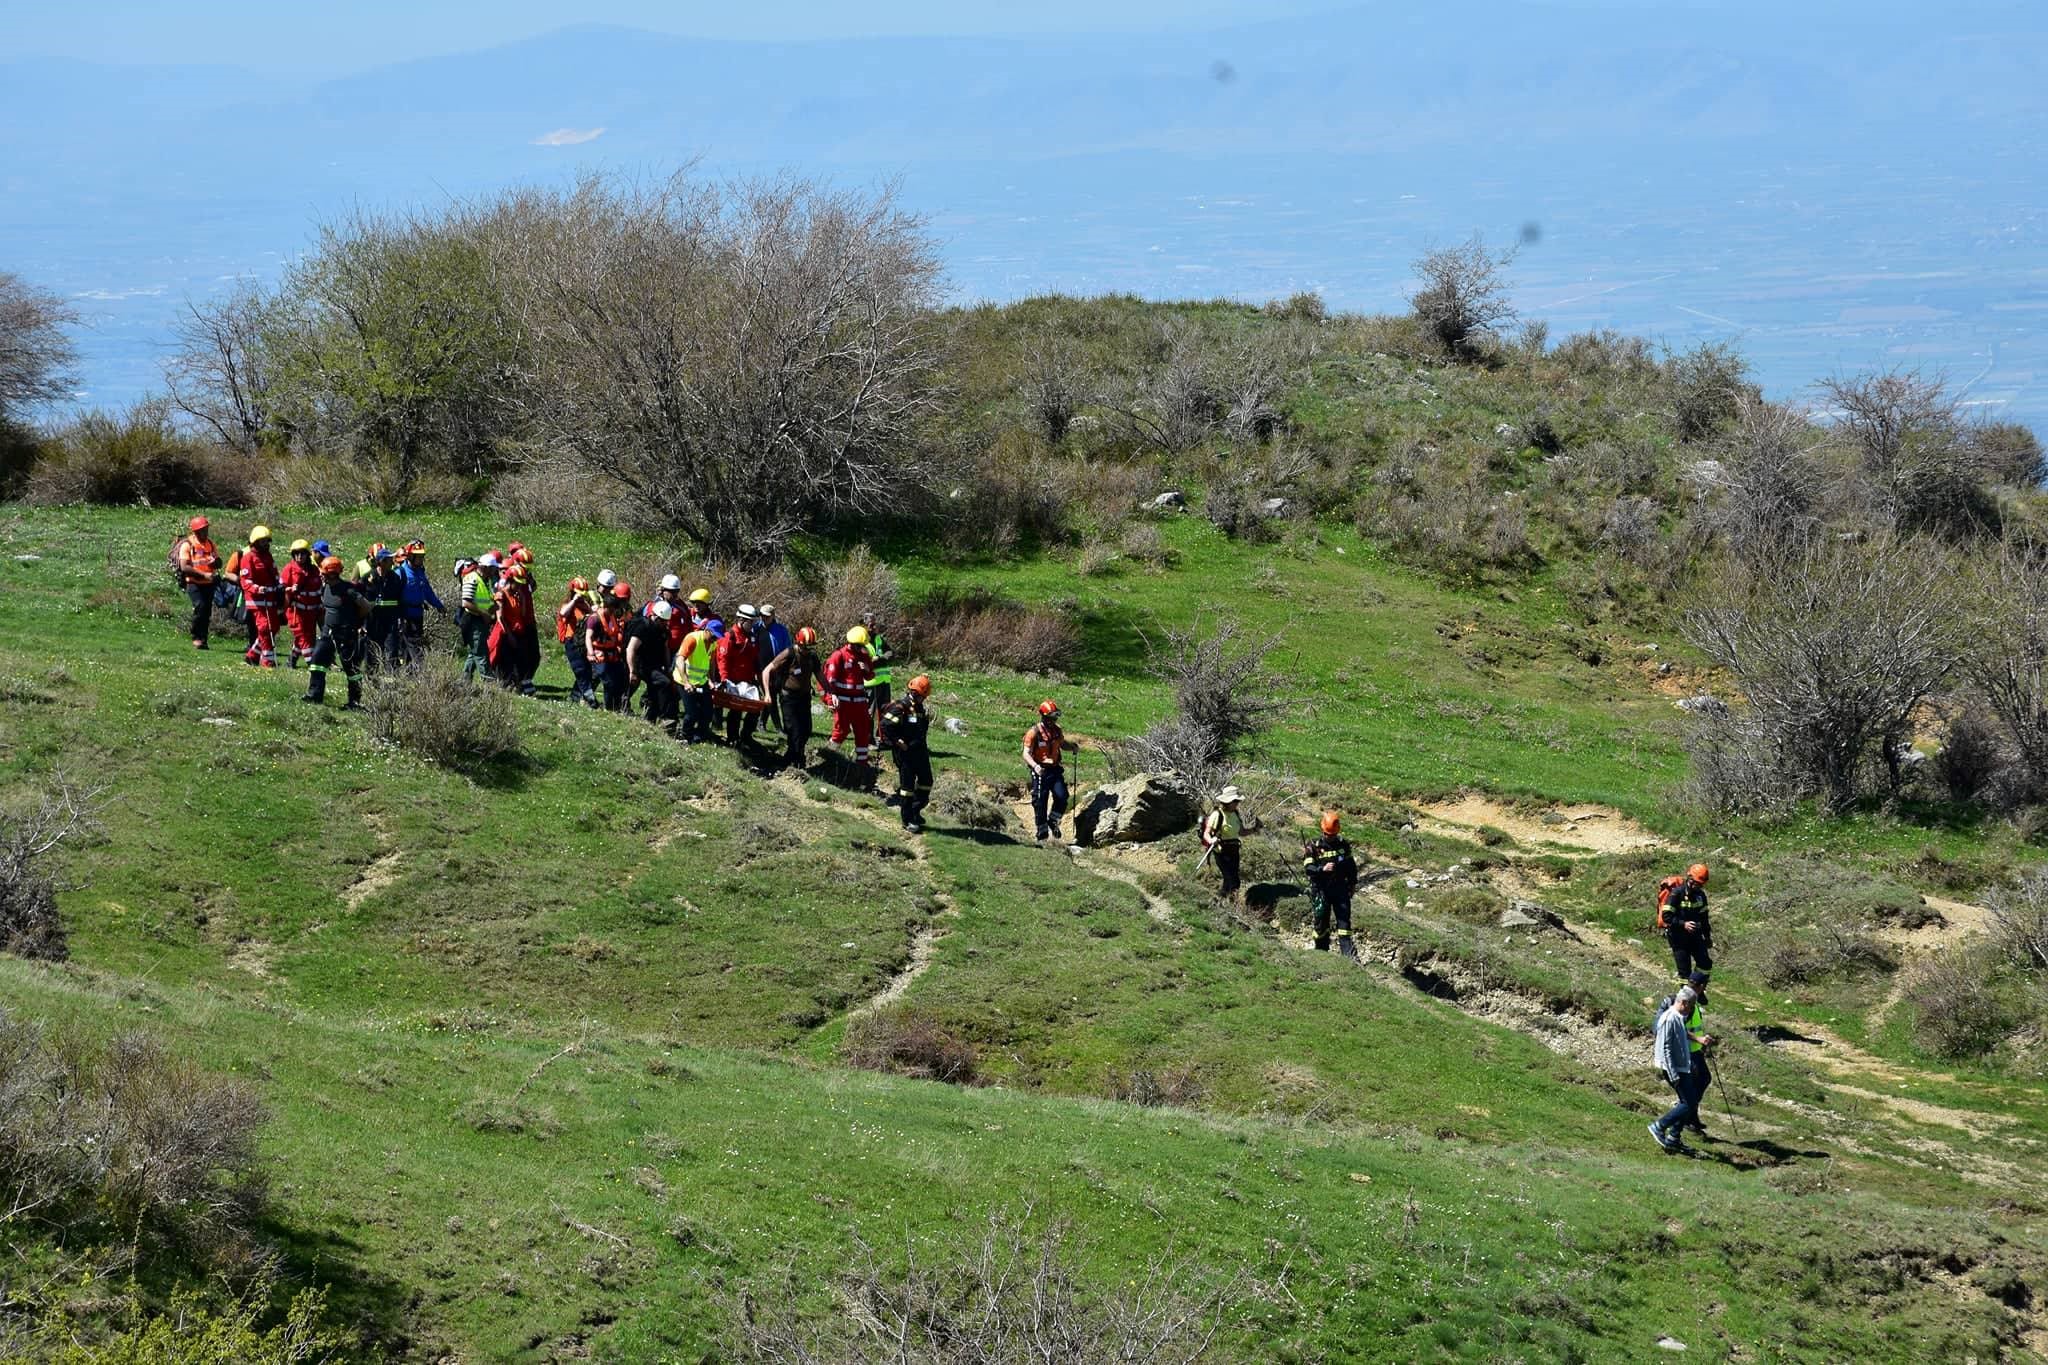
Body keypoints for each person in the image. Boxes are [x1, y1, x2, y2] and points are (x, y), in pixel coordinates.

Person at [302, 555, 368, 709]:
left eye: (323, 574)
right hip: (328, 633)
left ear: (331, 573)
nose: (321, 576)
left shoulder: (348, 590)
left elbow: (365, 606)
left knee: (351, 668)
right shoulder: (325, 587)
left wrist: (356, 623)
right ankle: (314, 695)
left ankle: (354, 702)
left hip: (345, 634)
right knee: (317, 662)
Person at [1649, 985, 1702, 1154]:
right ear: (1684, 1003)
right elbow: (1666, 1049)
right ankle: (1659, 1126)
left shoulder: (1677, 1017)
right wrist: (1673, 1074)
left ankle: (1674, 1137)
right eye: (1691, 1006)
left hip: (1681, 1067)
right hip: (1674, 1069)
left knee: (1688, 1101)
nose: (1691, 1010)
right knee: (1689, 1102)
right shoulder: (1670, 1018)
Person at [879, 675, 935, 832]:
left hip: (920, 751)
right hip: (906, 754)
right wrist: (898, 742)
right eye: (922, 696)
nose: (923, 699)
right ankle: (907, 820)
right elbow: (885, 725)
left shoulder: (919, 708)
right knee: (907, 788)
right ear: (915, 693)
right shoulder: (900, 707)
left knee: (926, 782)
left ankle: (915, 811)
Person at [761, 625, 821, 767]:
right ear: (798, 643)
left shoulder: (812, 656)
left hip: (804, 697)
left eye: (810, 648)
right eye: (804, 648)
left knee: (806, 730)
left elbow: (820, 676)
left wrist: (831, 693)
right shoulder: (789, 654)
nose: (807, 651)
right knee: (793, 730)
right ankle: (796, 760)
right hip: (789, 698)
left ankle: (792, 756)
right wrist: (767, 694)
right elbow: (767, 670)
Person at [823, 625, 878, 773]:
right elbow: (828, 681)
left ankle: (862, 763)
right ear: (852, 643)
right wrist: (830, 700)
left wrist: (866, 669)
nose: (862, 648)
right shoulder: (838, 656)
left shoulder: (864, 656)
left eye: (862, 646)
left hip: (859, 701)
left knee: (863, 731)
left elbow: (870, 675)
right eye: (859, 645)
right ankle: (828, 756)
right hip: (843, 702)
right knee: (841, 731)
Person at [1303, 810, 1360, 955]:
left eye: (1333, 835)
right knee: (1321, 923)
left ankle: (1349, 956)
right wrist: (1322, 869)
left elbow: (1350, 866)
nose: (1330, 837)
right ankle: (1321, 953)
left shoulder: (1343, 845)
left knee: (1344, 922)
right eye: (1328, 834)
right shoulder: (1313, 846)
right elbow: (1308, 868)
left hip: (1340, 889)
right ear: (1322, 831)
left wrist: (1352, 884)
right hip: (1321, 890)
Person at [1022, 699, 1078, 842]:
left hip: (1054, 770)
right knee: (1040, 800)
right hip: (1040, 771)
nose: (1054, 720)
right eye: (1051, 717)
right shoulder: (1033, 733)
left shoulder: (1057, 731)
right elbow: (1026, 753)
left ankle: (1053, 820)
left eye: (1055, 717)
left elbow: (1062, 744)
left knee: (1062, 796)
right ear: (1044, 717)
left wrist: (1072, 747)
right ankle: (1042, 831)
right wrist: (1035, 766)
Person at [712, 604, 765, 746]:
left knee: (755, 709)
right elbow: (722, 660)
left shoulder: (752, 637)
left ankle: (746, 735)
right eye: (750, 622)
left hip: (748, 680)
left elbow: (754, 659)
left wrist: (757, 680)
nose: (752, 624)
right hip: (733, 680)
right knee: (735, 710)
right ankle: (732, 738)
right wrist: (724, 679)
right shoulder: (730, 637)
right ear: (741, 620)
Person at [627, 598, 679, 733]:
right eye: (662, 621)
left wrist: (668, 669)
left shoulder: (663, 631)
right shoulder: (643, 627)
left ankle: (650, 718)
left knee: (659, 687)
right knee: (664, 683)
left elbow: (666, 649)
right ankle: (665, 717)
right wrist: (632, 671)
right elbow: (631, 648)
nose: (664, 624)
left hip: (654, 665)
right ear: (654, 616)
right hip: (641, 664)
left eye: (665, 621)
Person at [489, 562, 540, 693]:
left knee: (521, 660)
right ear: (510, 580)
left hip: (517, 632)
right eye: (516, 583)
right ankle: (505, 685)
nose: (518, 586)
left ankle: (517, 685)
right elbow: (500, 618)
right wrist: (510, 635)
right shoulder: (501, 595)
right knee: (505, 662)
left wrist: (522, 599)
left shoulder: (517, 596)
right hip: (505, 634)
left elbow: (521, 614)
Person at [237, 526, 283, 669]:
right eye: (262, 541)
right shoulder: (247, 558)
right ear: (255, 542)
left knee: (274, 626)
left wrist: (279, 585)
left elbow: (275, 574)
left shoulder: (268, 557)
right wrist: (258, 589)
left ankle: (252, 655)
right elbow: (245, 581)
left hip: (270, 597)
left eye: (266, 541)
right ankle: (267, 661)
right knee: (264, 628)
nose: (265, 544)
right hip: (256, 599)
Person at [173, 516, 222, 649]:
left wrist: (216, 562)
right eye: (202, 530)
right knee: (200, 607)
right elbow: (185, 567)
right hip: (193, 583)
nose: (205, 532)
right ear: (195, 531)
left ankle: (203, 639)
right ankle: (196, 636)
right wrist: (204, 574)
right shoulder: (187, 545)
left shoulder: (210, 544)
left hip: (209, 583)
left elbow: (219, 563)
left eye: (206, 529)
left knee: (207, 611)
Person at [394, 540, 446, 662]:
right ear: (411, 556)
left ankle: (409, 674)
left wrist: (439, 606)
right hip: (406, 616)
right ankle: (421, 672)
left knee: (411, 647)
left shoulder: (420, 572)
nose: (422, 559)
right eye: (419, 556)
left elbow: (428, 592)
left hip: (418, 614)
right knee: (414, 645)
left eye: (422, 556)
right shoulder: (400, 573)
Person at [1680, 970, 1716, 1139]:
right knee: (1697, 1084)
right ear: (1701, 986)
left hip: (1695, 1050)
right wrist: (1699, 1039)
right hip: (1688, 1052)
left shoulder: (1691, 1000)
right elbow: (1680, 1028)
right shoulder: (1688, 1002)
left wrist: (1702, 1041)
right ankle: (1687, 1117)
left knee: (1702, 1080)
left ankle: (1692, 1116)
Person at [1660, 863, 1714, 980]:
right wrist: (1683, 924)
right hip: (1678, 937)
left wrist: (1707, 937)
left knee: (1705, 964)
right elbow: (1666, 916)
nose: (1698, 887)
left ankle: (1697, 988)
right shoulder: (1676, 894)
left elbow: (1704, 918)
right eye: (1697, 883)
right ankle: (1685, 995)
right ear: (1690, 879)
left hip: (1695, 936)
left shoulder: (1701, 896)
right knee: (1685, 973)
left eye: (1701, 885)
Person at [586, 583, 632, 712]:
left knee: (619, 680)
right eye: (611, 609)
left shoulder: (616, 614)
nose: (613, 612)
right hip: (599, 654)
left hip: (613, 653)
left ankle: (615, 707)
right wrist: (590, 653)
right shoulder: (595, 619)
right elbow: (588, 637)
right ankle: (605, 706)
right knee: (606, 681)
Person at [279, 539, 324, 668]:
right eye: (296, 553)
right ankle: (312, 663)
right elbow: (281, 588)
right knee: (303, 638)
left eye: (302, 553)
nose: (299, 556)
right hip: (295, 611)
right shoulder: (289, 569)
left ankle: (291, 661)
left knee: (305, 637)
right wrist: (289, 589)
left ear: (307, 554)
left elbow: (319, 589)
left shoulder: (314, 570)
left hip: (311, 611)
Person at [675, 617, 719, 744]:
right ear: (707, 631)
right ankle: (685, 735)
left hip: (701, 681)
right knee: (691, 712)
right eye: (714, 636)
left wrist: (711, 680)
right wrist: (686, 682)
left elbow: (711, 663)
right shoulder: (692, 639)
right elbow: (680, 660)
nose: (714, 639)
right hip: (684, 680)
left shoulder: (713, 643)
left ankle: (700, 736)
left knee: (707, 711)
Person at [556, 577, 598, 706]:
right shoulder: (568, 604)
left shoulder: (585, 605)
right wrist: (574, 601)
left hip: (583, 642)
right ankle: (591, 700)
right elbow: (563, 613)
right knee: (580, 671)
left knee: (587, 671)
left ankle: (575, 697)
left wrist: (588, 607)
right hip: (572, 641)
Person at [1201, 786, 1247, 901]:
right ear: (1227, 802)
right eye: (1235, 801)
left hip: (1234, 851)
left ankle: (1220, 900)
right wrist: (1211, 840)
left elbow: (1241, 832)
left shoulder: (1235, 814)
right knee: (1233, 881)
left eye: (1238, 801)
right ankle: (1232, 904)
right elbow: (1206, 833)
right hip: (1222, 852)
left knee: (1230, 879)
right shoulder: (1217, 815)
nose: (1237, 803)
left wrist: (1255, 829)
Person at [460, 552, 501, 680]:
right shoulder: (472, 578)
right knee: (481, 652)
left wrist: (492, 607)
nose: (494, 573)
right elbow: (466, 602)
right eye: (493, 569)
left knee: (474, 652)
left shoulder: (484, 581)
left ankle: (464, 682)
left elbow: (483, 601)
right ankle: (488, 681)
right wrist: (484, 613)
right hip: (473, 620)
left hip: (482, 620)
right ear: (485, 568)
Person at [360, 545, 403, 668]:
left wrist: (401, 619)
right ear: (381, 562)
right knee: (372, 651)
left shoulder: (395, 578)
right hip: (373, 621)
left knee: (391, 651)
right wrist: (361, 624)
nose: (392, 562)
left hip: (390, 621)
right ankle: (372, 679)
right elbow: (361, 601)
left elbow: (399, 600)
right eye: (389, 560)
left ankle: (391, 680)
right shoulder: (367, 578)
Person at [756, 605, 792, 735]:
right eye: (762, 615)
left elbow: (788, 650)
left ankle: (762, 722)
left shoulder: (781, 630)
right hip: (761, 669)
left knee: (772, 695)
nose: (764, 618)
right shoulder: (756, 628)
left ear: (773, 616)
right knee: (770, 694)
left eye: (767, 616)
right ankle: (778, 727)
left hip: (777, 668)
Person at [862, 610, 894, 711]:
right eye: (871, 625)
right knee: (869, 714)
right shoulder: (861, 642)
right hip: (870, 684)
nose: (874, 627)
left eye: (875, 624)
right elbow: (863, 662)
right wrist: (875, 661)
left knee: (886, 712)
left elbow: (891, 653)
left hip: (884, 683)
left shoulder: (879, 638)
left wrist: (880, 658)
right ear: (864, 624)